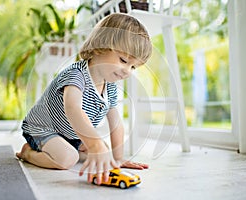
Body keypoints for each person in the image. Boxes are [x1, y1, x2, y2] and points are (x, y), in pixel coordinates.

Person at [16, 13, 152, 185]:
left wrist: (118, 158)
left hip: (72, 135)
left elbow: (116, 122)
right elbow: (73, 109)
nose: (127, 71)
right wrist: (94, 145)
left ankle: (75, 148)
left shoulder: (109, 86)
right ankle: (28, 153)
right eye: (123, 60)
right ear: (99, 47)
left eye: (133, 66)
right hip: (43, 129)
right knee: (67, 159)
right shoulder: (76, 75)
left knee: (104, 153)